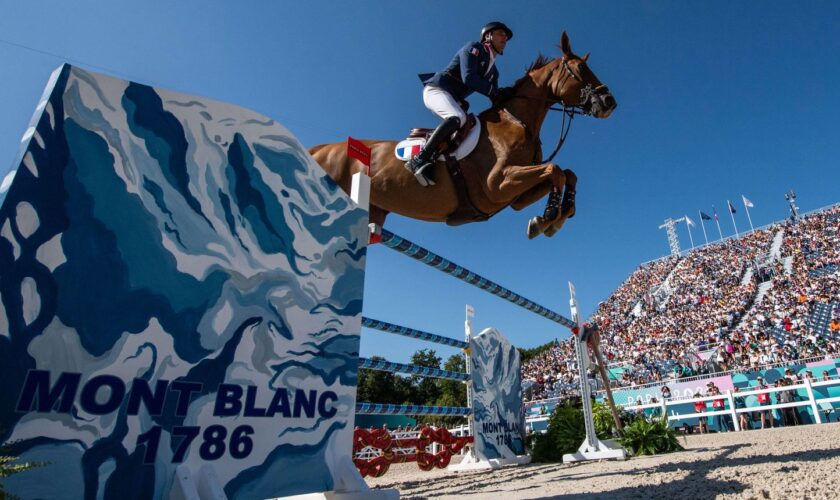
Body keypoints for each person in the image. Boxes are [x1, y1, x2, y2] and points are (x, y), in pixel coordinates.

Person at [405, 21, 515, 186]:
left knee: (467, 122)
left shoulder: (494, 72)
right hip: (437, 89)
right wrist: (495, 92)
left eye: (506, 36)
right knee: (457, 117)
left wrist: (513, 94)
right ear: (488, 36)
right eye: (501, 34)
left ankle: (441, 159)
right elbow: (469, 78)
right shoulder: (474, 48)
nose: (505, 38)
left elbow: (495, 97)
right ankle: (419, 159)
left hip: (451, 97)